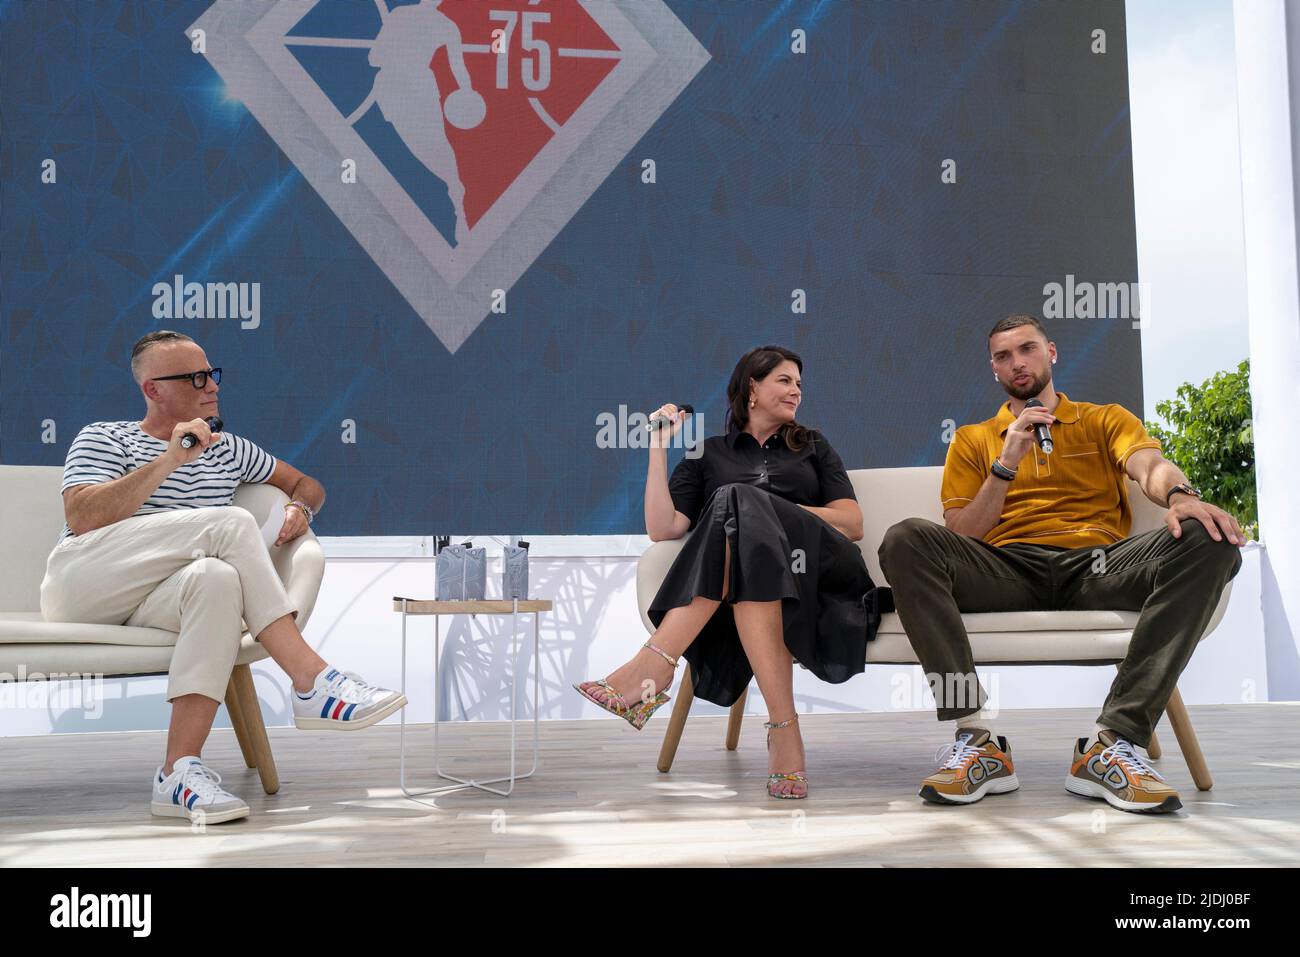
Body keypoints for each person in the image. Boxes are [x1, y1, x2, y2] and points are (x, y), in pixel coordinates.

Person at [878, 314, 1243, 813]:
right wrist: (1005, 463)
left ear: (1051, 353)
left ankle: (1115, 742)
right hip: (1008, 570)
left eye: (1027, 349)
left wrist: (1179, 496)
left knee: (1209, 537)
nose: (1017, 363)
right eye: (1003, 356)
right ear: (994, 370)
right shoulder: (974, 439)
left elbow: (1147, 465)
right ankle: (977, 739)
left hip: (1097, 566)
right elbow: (963, 534)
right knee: (904, 540)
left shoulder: (1104, 418)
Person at [40, 331, 406, 825]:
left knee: (216, 580)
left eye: (212, 372)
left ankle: (177, 773)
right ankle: (311, 681)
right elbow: (84, 518)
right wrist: (171, 459)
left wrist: (299, 507)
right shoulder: (105, 436)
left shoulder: (228, 449)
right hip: (83, 585)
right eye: (194, 377)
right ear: (153, 389)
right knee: (230, 523)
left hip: (156, 601)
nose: (210, 384)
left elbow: (306, 484)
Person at [575, 345, 885, 799]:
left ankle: (655, 664)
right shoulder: (706, 454)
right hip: (747, 586)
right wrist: (658, 446)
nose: (796, 390)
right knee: (745, 541)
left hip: (820, 575)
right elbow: (664, 529)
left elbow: (852, 523)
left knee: (738, 500)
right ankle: (785, 733)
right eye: (784, 380)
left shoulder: (812, 445)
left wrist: (771, 511)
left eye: (799, 382)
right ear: (752, 388)